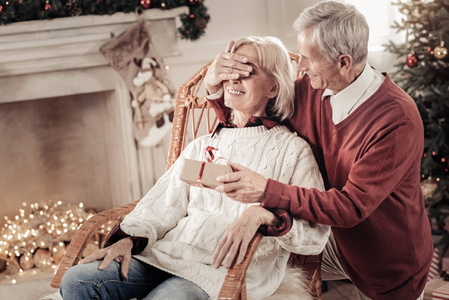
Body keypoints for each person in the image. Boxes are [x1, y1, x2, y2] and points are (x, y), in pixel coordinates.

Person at [59, 36, 330, 300]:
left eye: (247, 71)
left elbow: (314, 236)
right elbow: (164, 203)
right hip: (167, 256)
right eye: (230, 69)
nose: (234, 78)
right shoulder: (202, 145)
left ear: (273, 87)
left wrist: (265, 215)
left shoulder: (293, 151)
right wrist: (128, 240)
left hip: (226, 271)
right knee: (77, 281)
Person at [204, 2, 433, 300]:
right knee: (244, 261)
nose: (299, 67)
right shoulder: (309, 89)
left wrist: (266, 191)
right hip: (329, 238)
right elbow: (254, 112)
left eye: (309, 59)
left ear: (343, 62)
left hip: (387, 262)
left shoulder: (396, 119)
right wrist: (214, 88)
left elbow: (351, 207)